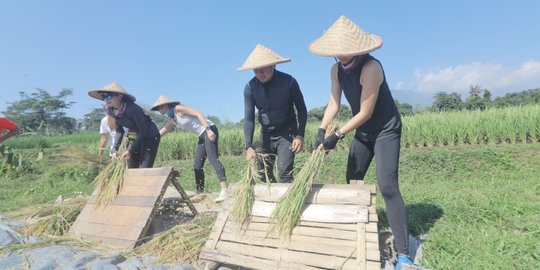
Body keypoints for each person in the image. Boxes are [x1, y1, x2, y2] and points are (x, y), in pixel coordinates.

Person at [309, 16, 413, 269]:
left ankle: (403, 254)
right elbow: (334, 102)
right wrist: (322, 129)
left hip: (385, 130)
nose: (340, 54)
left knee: (387, 186)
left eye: (344, 49)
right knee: (353, 180)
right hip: (363, 133)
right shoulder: (335, 70)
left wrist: (338, 135)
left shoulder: (371, 68)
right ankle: (361, 230)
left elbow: (365, 112)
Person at [237, 44, 307, 183]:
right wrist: (249, 146)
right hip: (266, 134)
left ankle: (286, 202)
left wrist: (300, 135)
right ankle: (273, 201)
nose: (259, 73)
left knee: (285, 173)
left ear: (274, 65)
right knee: (263, 173)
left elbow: (302, 110)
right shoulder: (250, 87)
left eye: (263, 68)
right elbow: (249, 119)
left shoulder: (289, 82)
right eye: (255, 69)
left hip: (287, 133)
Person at [150, 95, 230, 203]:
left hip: (209, 129)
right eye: (157, 109)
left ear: (165, 105)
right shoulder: (172, 120)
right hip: (201, 136)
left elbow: (198, 113)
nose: (158, 110)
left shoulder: (178, 109)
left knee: (213, 159)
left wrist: (208, 130)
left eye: (159, 108)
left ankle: (225, 190)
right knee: (197, 165)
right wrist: (147, 140)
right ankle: (200, 191)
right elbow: (160, 133)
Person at [88, 82, 161, 168]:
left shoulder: (132, 109)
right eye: (104, 97)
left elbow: (143, 130)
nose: (106, 100)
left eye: (109, 96)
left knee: (144, 168)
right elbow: (120, 131)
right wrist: (115, 150)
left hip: (150, 135)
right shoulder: (111, 111)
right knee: (130, 164)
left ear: (120, 96)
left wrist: (130, 150)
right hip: (133, 133)